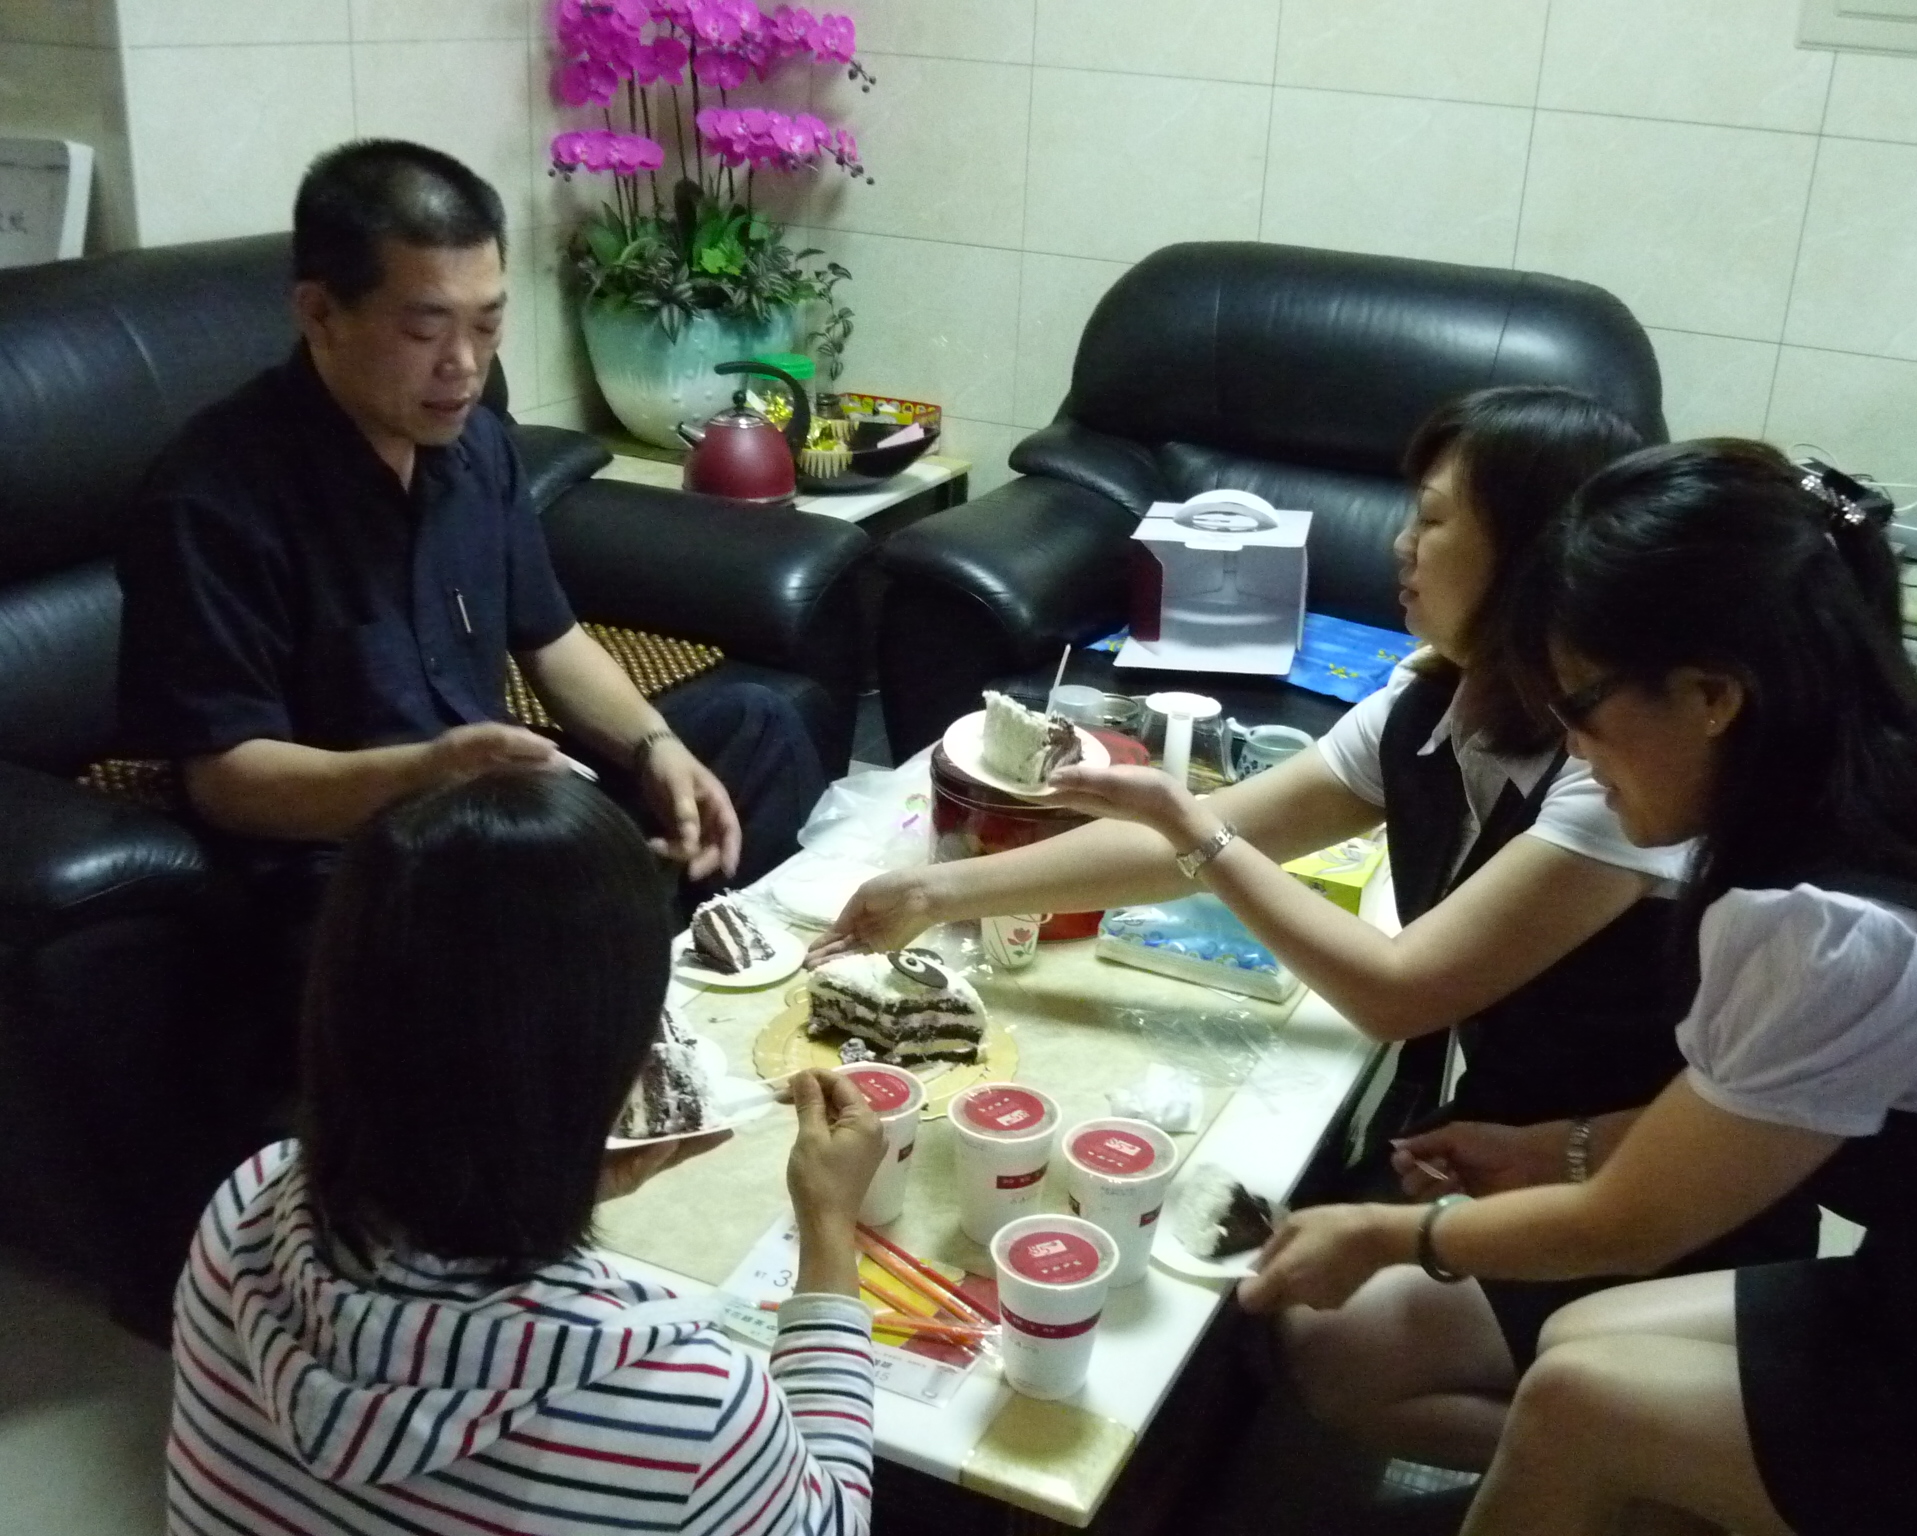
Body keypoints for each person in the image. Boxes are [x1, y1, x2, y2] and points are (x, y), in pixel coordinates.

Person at [810, 387, 1814, 1477]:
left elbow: (1397, 990)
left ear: (1538, 557)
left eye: (1434, 519)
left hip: (1660, 1181)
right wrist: (940, 892)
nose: (1401, 544)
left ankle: (1674, 1480)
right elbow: (1213, 836)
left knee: (1340, 1347)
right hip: (1511, 1130)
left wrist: (1190, 829)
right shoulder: (1432, 705)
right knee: (1272, 1279)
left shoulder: (1612, 771)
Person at [1240, 439, 1917, 1533]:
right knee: (1578, 1346)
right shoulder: (1912, 792)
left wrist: (1388, 1235)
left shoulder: (1831, 930)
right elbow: (1737, 1130)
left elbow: (1623, 1229)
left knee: (1580, 1401)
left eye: (1579, 706)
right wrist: (1547, 1150)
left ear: (1711, 695)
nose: (1573, 750)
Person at [117, 138, 825, 938]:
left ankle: (674, 958)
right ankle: (630, 952)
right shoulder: (212, 498)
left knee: (757, 727)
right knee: (526, 884)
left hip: (496, 812)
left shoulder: (475, 444)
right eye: (426, 331)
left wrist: (653, 747)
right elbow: (227, 780)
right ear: (319, 314)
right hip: (359, 856)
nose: (464, 365)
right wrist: (428, 773)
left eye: (486, 325)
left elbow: (552, 642)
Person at [166, 770, 887, 1535]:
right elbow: (837, 1521)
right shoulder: (690, 1405)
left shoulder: (245, 1205)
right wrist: (829, 1229)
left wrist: (562, 1176)